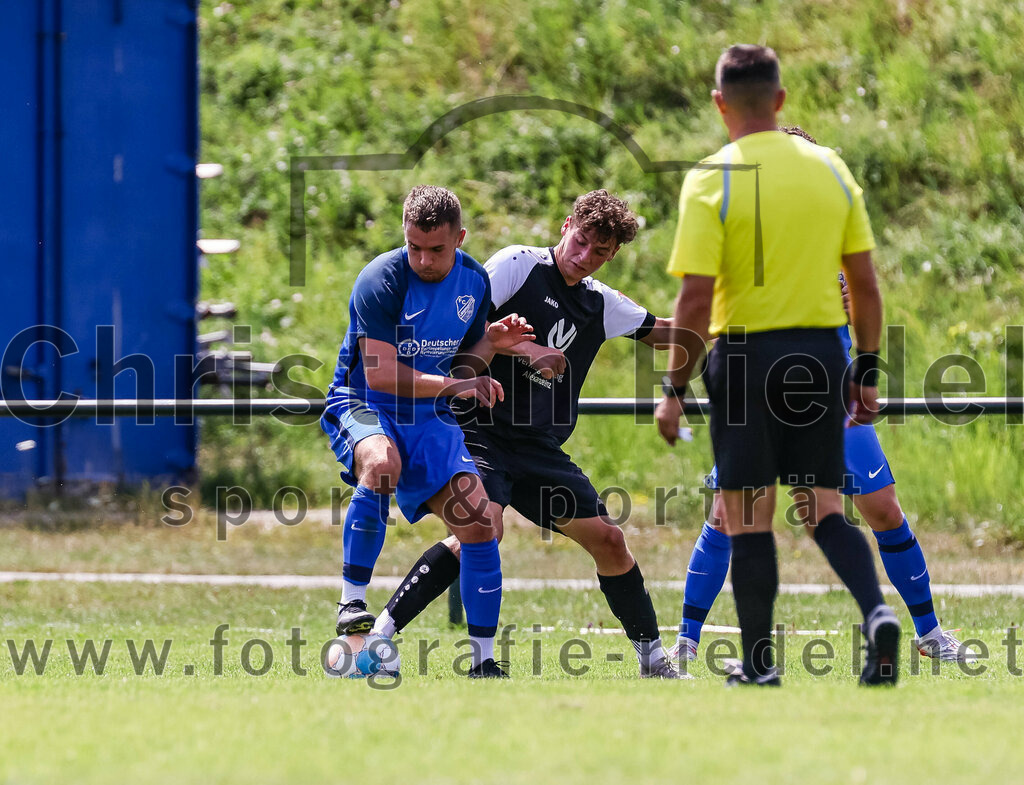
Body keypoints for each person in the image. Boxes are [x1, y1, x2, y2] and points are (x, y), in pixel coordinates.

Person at [654, 45, 899, 686]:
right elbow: (866, 287)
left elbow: (696, 298)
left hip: (742, 359)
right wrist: (865, 369)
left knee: (747, 514)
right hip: (819, 355)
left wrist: (674, 386)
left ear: (720, 104)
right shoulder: (831, 170)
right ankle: (876, 614)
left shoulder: (712, 176)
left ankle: (760, 664)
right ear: (781, 100)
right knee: (824, 508)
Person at [368, 190, 685, 679]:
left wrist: (736, 318)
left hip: (538, 447)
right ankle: (378, 639)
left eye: (599, 251)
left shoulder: (602, 303)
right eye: (580, 240)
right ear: (565, 226)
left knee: (610, 541)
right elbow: (462, 330)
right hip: (479, 428)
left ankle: (654, 661)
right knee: (481, 531)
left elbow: (670, 332)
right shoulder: (518, 265)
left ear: (613, 254)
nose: (584, 256)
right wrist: (525, 352)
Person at [672, 260, 975, 667]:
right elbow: (708, 301)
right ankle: (687, 643)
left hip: (827, 386)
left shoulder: (829, 216)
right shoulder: (742, 218)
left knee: (883, 509)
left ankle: (930, 633)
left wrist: (853, 312)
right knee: (729, 515)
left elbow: (864, 290)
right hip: (754, 381)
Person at [321, 185, 534, 678]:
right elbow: (380, 374)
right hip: (366, 403)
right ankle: (352, 605)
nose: (423, 259)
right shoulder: (381, 278)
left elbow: (463, 364)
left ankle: (483, 664)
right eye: (414, 246)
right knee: (380, 463)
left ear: (459, 238)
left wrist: (491, 345)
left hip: (428, 415)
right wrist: (458, 386)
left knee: (481, 525)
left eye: (436, 249)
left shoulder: (474, 281)